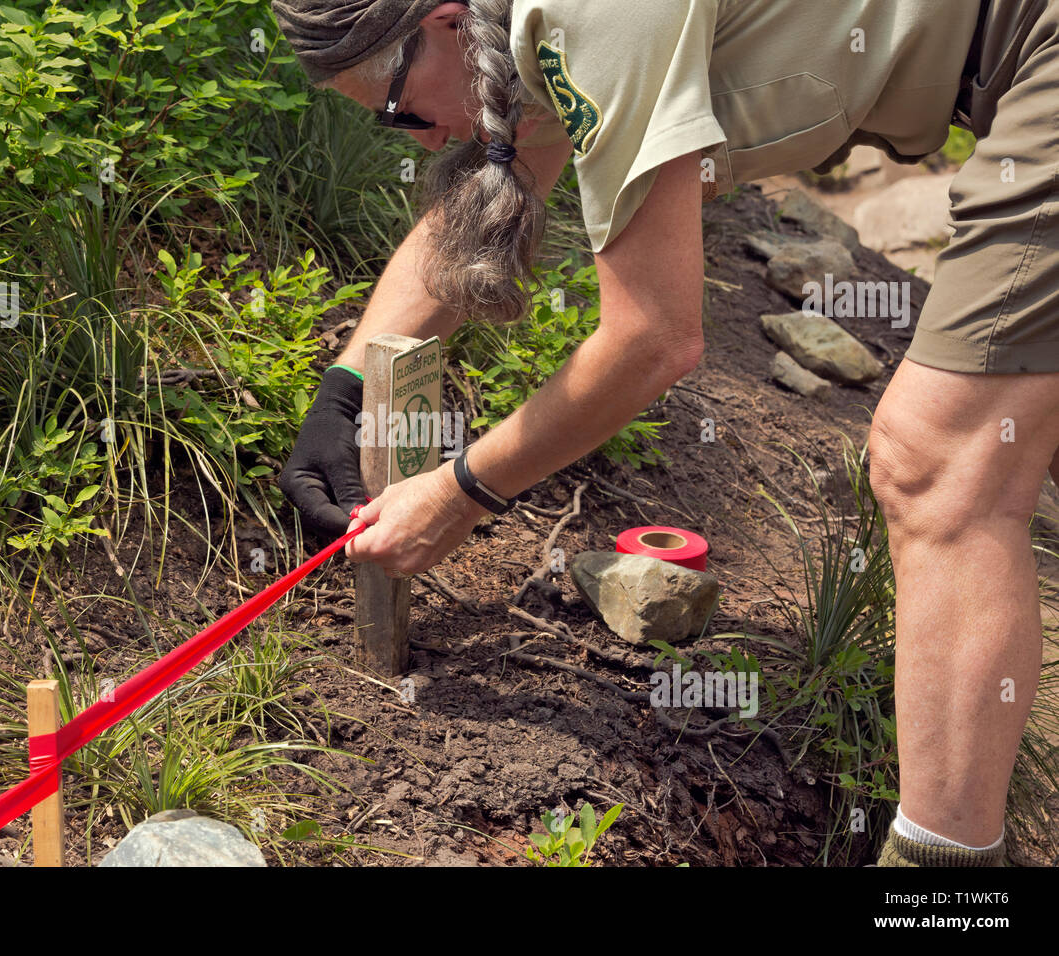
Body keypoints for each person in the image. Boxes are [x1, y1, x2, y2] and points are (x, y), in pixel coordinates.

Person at [270, 0, 1059, 867]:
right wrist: (341, 393)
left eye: (397, 106)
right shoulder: (517, 32)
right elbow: (506, 180)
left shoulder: (593, 16)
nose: (414, 137)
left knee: (939, 465)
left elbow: (654, 338)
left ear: (448, 22)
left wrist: (464, 490)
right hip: (1006, 75)